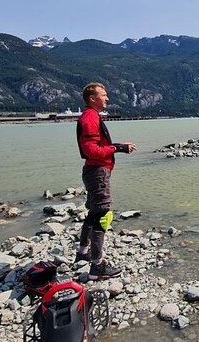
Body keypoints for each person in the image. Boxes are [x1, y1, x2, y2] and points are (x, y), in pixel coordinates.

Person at [75, 82, 136, 280]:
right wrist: (117, 149)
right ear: (93, 98)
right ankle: (97, 266)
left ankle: (83, 253)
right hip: (97, 171)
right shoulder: (90, 118)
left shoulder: (91, 116)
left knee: (94, 212)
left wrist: (119, 145)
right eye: (104, 95)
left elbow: (97, 146)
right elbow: (90, 150)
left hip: (94, 170)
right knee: (103, 215)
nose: (107, 98)